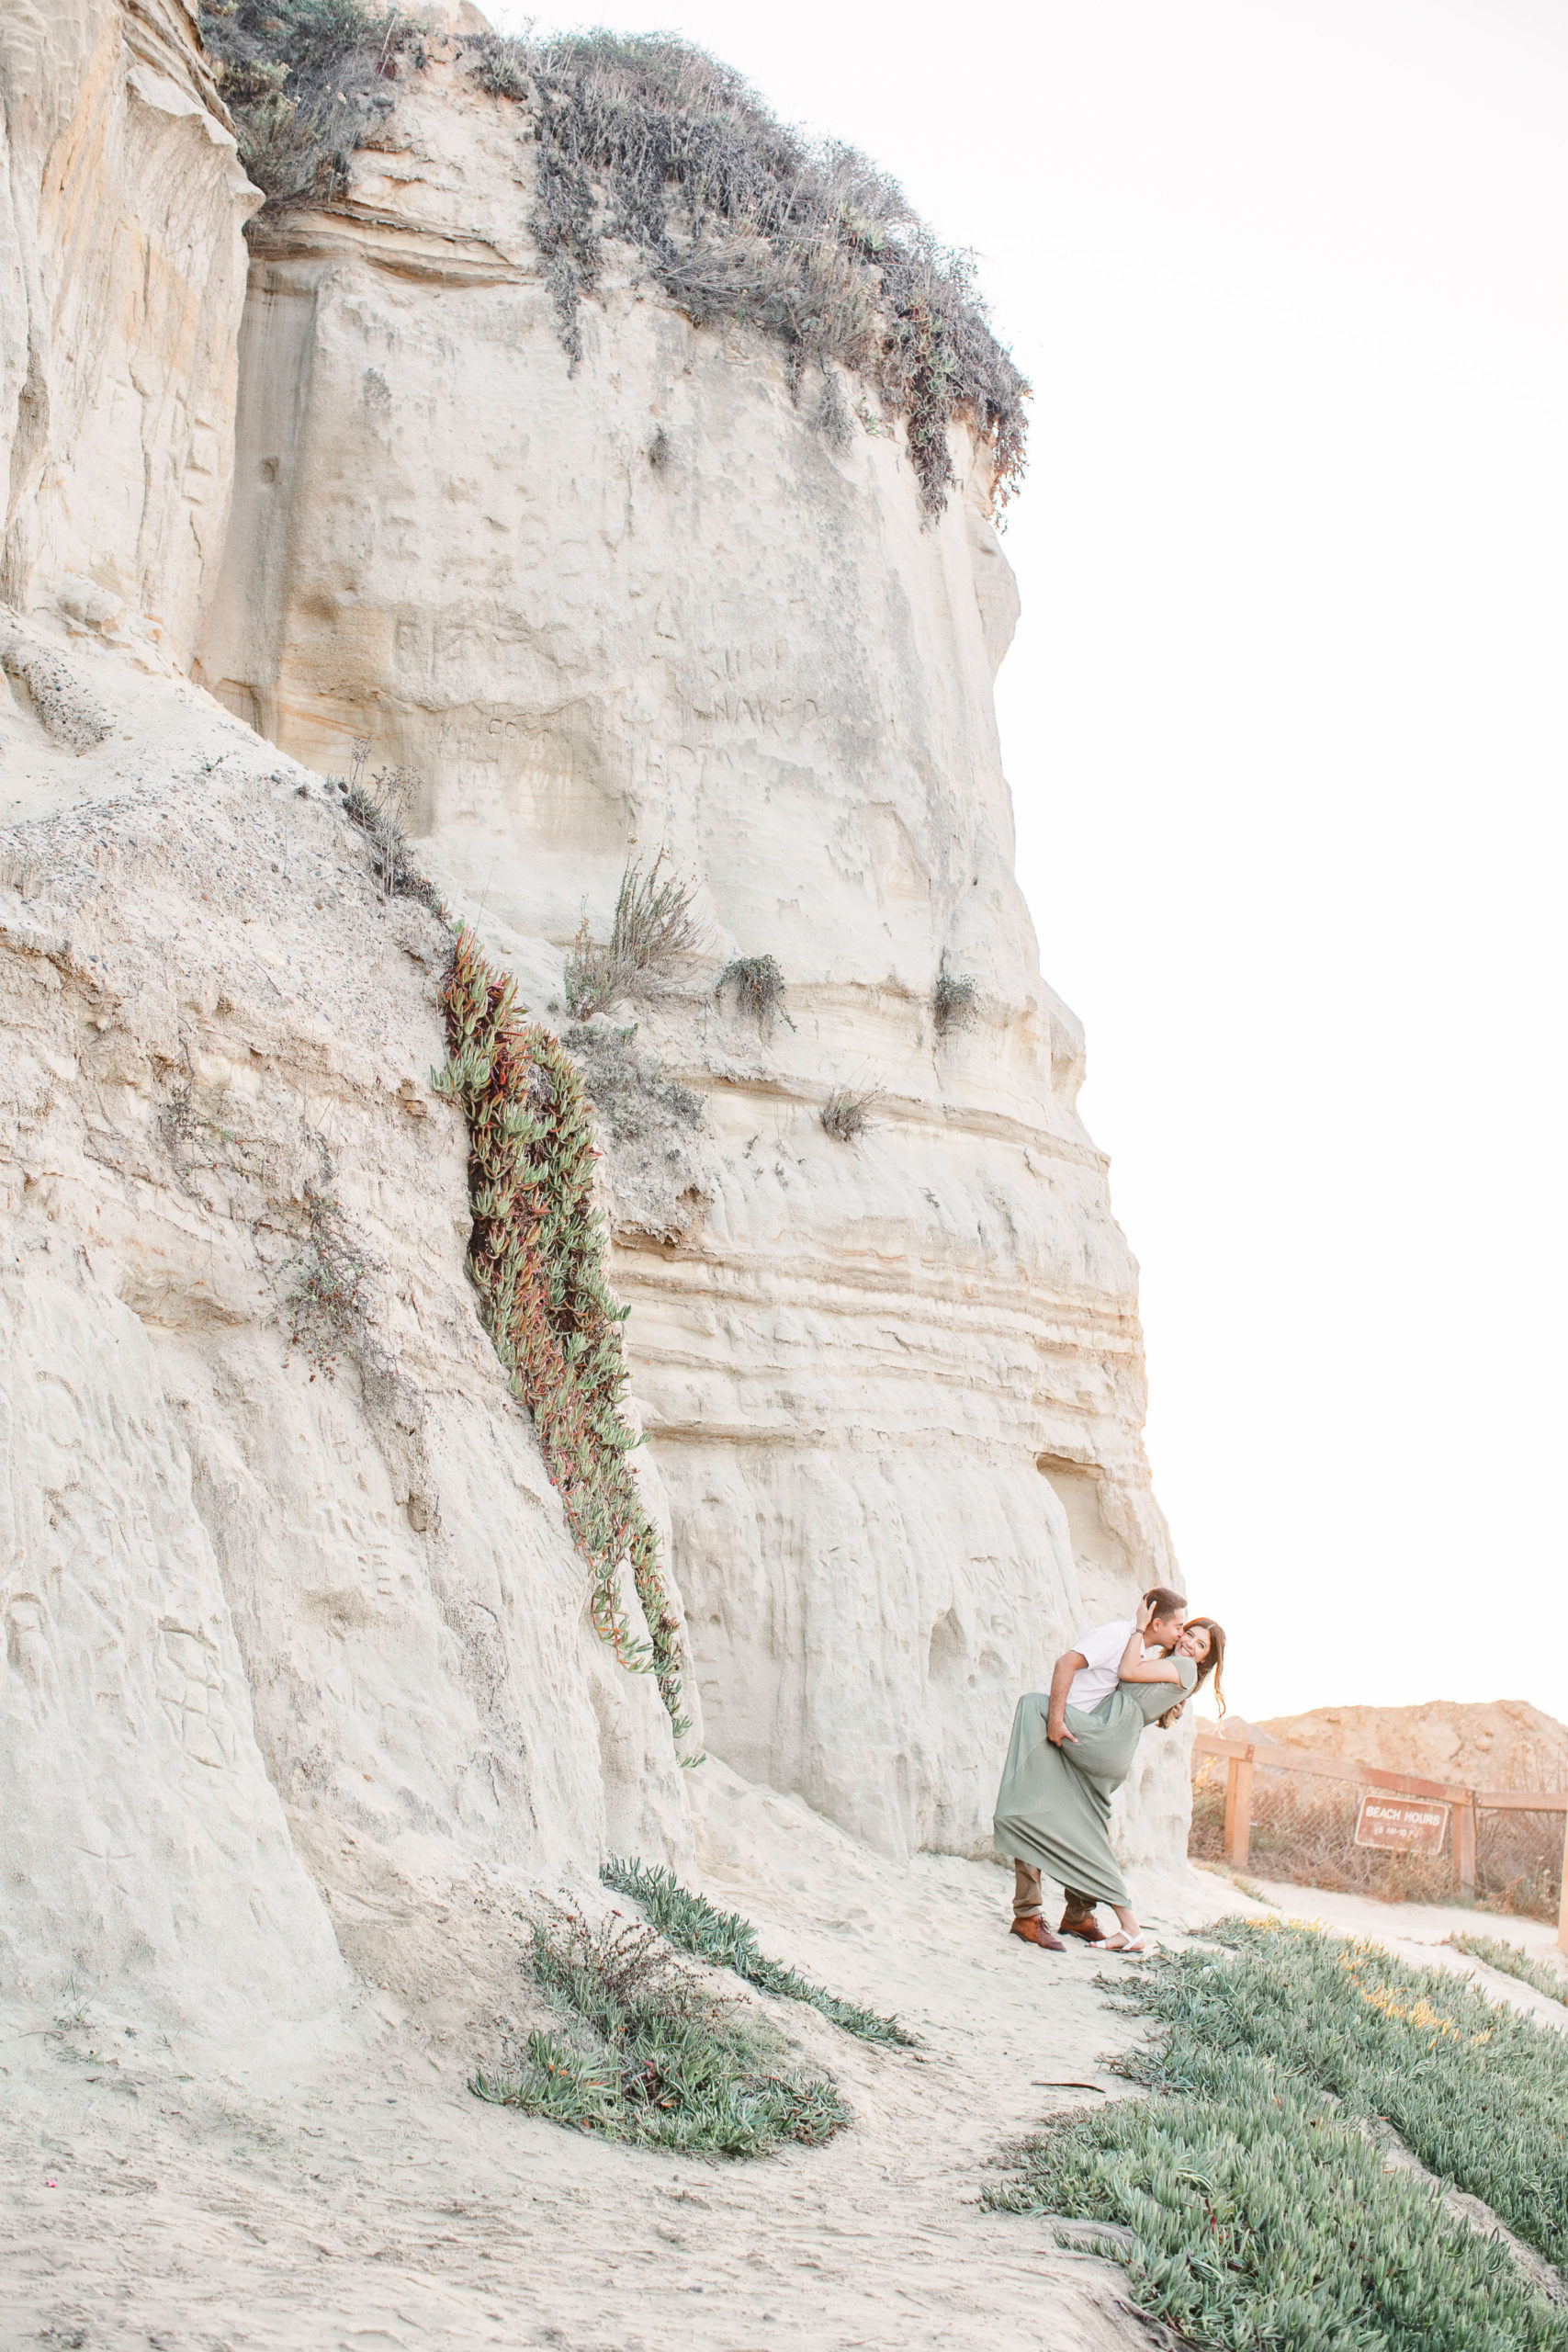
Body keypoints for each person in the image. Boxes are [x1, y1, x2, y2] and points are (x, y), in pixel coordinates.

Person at [995, 1596, 1226, 1955]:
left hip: (1105, 1735)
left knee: (1031, 1704)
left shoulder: (1176, 1665)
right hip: (1111, 1739)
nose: (1187, 1641)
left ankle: (1112, 1921)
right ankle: (1080, 1916)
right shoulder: (1169, 1666)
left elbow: (1126, 1673)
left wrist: (1137, 1627)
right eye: (1188, 1632)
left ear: (1204, 1659)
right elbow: (1150, 1701)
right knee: (1089, 1826)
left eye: (1199, 1644)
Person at [1044, 1587, 1188, 1945]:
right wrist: (1056, 1719)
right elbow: (1068, 1664)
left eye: (1191, 1635)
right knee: (1077, 1827)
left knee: (1087, 1828)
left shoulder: (1145, 1651)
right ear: (1158, 1622)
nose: (1182, 1635)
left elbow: (1131, 1685)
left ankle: (1091, 1918)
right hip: (1077, 1732)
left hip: (1093, 1738)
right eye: (1180, 1627)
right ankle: (1060, 1916)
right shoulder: (1122, 1638)